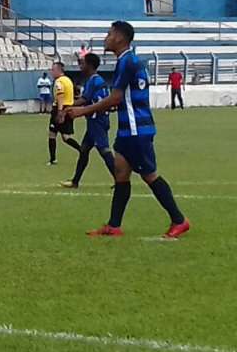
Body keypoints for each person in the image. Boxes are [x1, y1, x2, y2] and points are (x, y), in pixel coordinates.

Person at [67, 21, 190, 239]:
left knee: (150, 175)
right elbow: (122, 99)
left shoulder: (126, 62)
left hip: (136, 130)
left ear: (120, 38)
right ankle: (114, 226)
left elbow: (116, 97)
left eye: (109, 33)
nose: (106, 37)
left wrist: (82, 110)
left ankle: (179, 220)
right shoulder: (130, 61)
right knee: (121, 175)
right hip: (127, 129)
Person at [61, 52, 115, 189]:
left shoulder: (94, 81)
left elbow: (85, 99)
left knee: (104, 150)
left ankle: (120, 180)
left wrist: (68, 107)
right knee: (84, 150)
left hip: (97, 121)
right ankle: (75, 181)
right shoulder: (97, 80)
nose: (80, 65)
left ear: (90, 65)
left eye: (82, 63)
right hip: (94, 121)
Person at [48, 61, 82, 165]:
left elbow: (61, 96)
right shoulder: (68, 80)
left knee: (55, 135)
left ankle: (53, 159)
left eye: (53, 70)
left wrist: (59, 112)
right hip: (68, 108)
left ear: (59, 70)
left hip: (61, 109)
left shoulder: (59, 82)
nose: (51, 72)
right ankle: (81, 151)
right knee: (61, 135)